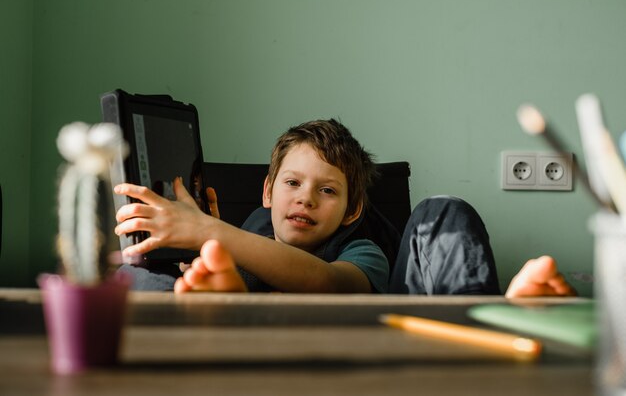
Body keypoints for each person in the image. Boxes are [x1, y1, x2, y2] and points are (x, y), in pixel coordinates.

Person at [114, 119, 576, 297]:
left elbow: (329, 285)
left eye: (328, 191)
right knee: (134, 274)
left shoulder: (361, 252)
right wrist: (202, 241)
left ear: (352, 212)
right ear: (268, 193)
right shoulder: (247, 231)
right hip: (257, 340)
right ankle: (222, 309)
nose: (306, 198)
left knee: (445, 210)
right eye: (293, 183)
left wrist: (213, 236)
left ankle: (490, 335)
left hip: (373, 346)